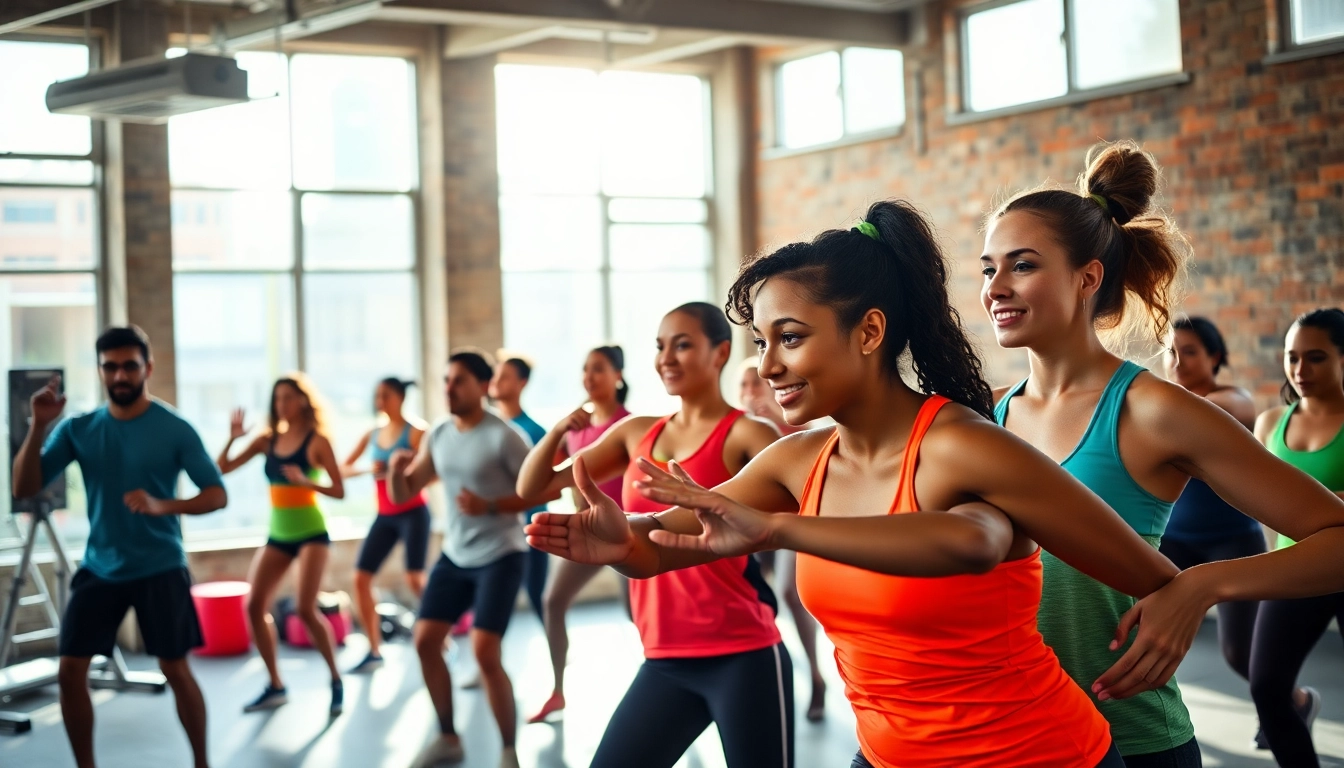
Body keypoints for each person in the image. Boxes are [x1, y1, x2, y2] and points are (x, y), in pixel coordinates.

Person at [525, 203, 1198, 767]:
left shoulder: (962, 443)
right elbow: (681, 541)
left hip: (1034, 753)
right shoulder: (799, 460)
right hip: (885, 754)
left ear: (870, 330)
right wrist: (626, 541)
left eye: (788, 338)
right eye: (761, 343)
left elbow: (979, 545)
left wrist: (782, 528)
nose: (770, 365)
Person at [980, 141, 1344, 766]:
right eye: (988, 268)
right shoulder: (989, 417)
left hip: (1133, 738)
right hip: (1010, 738)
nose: (996, 288)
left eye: (1022, 265)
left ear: (1087, 278)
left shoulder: (1153, 411)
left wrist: (1202, 585)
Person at [516, 303, 791, 768]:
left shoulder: (748, 434)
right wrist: (562, 428)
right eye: (661, 346)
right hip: (664, 656)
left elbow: (800, 501)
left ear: (720, 352)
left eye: (682, 344)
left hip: (743, 652)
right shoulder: (636, 433)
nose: (666, 357)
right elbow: (533, 487)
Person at [12, 326, 226, 768]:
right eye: (111, 367)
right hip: (101, 566)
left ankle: (202, 763)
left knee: (175, 668)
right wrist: (38, 428)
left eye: (130, 365)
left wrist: (163, 504)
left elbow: (215, 493)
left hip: (160, 564)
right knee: (70, 670)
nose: (120, 375)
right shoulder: (79, 428)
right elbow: (25, 486)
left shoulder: (174, 428)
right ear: (100, 372)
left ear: (147, 367)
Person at [387, 350, 559, 768]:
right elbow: (404, 493)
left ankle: (507, 750)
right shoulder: (440, 433)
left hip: (502, 554)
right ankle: (448, 737)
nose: (449, 388)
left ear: (483, 386)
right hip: (456, 555)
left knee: (484, 651)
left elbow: (546, 489)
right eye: (446, 380)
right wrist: (395, 470)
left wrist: (493, 506)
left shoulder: (504, 436)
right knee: (426, 640)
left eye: (459, 380)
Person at [1163, 316, 1306, 750]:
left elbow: (1226, 412)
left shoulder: (1232, 400)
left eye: (1189, 352)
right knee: (1129, 619)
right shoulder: (1167, 403)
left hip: (1231, 539)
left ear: (1215, 358)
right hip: (1175, 539)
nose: (1177, 362)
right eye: (1171, 352)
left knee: (1240, 653)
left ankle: (1295, 702)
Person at [216, 374, 346, 717]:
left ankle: (335, 678)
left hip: (312, 532)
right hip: (279, 534)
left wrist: (307, 482)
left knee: (305, 608)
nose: (282, 404)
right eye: (277, 399)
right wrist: (231, 440)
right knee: (254, 605)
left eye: (288, 397)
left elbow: (340, 490)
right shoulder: (266, 441)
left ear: (303, 401)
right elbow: (221, 469)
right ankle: (276, 685)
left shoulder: (318, 442)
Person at [1250, 308, 1344, 767]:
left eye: (1317, 357)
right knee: (1266, 686)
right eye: (1292, 357)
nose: (1300, 370)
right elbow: (1266, 504)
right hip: (1294, 568)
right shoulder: (1269, 424)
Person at [526, 345, 631, 724]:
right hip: (588, 534)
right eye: (585, 369)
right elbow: (547, 484)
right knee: (553, 601)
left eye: (598, 369)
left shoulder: (631, 425)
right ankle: (557, 692)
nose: (589, 377)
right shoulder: (575, 430)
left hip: (629, 534)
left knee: (636, 615)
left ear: (618, 376)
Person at [738, 359, 827, 722]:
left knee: (791, 591)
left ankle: (816, 675)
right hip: (757, 518)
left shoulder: (798, 415)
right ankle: (760, 667)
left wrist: (774, 416)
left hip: (794, 515)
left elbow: (807, 467)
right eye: (744, 385)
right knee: (752, 585)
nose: (750, 391)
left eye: (755, 384)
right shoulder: (742, 425)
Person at [340, 377, 431, 674]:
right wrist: (372, 469)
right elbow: (344, 468)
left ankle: (441, 640)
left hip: (414, 512)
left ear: (401, 398)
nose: (380, 401)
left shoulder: (418, 432)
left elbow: (431, 471)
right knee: (360, 579)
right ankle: (374, 650)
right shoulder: (374, 433)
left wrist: (401, 469)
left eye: (386, 395)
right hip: (385, 515)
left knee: (415, 580)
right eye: (377, 396)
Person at [488, 354, 549, 623]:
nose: (496, 381)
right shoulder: (486, 429)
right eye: (495, 375)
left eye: (505, 376)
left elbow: (545, 485)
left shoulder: (535, 432)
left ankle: (558, 659)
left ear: (522, 383)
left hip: (531, 527)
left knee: (541, 598)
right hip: (497, 531)